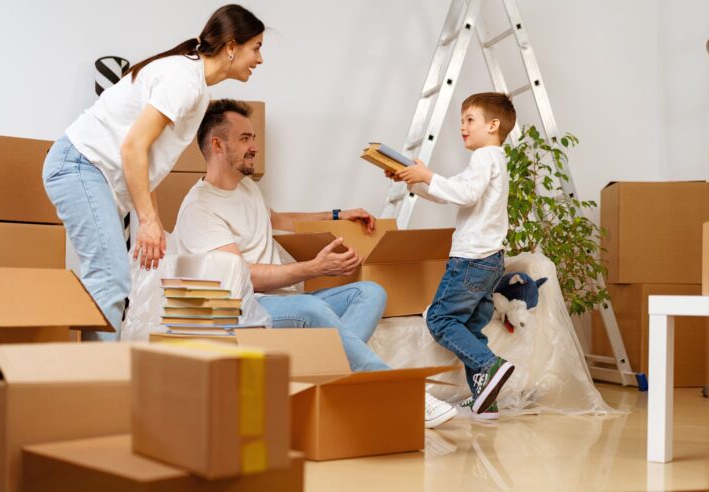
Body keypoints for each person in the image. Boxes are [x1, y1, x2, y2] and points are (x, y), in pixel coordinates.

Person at [174, 99, 457, 428]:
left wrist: (338, 214)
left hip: (282, 302)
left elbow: (279, 218)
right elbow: (243, 279)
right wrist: (314, 268)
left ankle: (334, 380)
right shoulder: (200, 208)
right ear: (217, 145)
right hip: (243, 309)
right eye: (245, 139)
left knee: (371, 292)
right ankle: (402, 391)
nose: (255, 146)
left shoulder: (246, 188)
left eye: (254, 137)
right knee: (311, 311)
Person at [42, 5, 265, 341]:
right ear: (232, 46)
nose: (260, 59)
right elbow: (132, 147)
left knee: (114, 278)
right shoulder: (184, 81)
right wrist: (146, 222)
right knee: (110, 277)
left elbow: (148, 159)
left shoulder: (196, 88)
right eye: (256, 48)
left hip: (91, 172)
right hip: (80, 165)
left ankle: (96, 375)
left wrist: (155, 222)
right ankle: (95, 381)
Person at [390, 92, 517, 420]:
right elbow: (455, 193)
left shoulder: (485, 157)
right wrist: (415, 183)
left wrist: (427, 176)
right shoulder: (493, 159)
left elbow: (463, 193)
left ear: (493, 125)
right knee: (471, 328)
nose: (462, 127)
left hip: (471, 259)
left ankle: (491, 366)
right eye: (461, 121)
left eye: (469, 120)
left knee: (440, 318)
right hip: (489, 259)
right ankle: (485, 401)